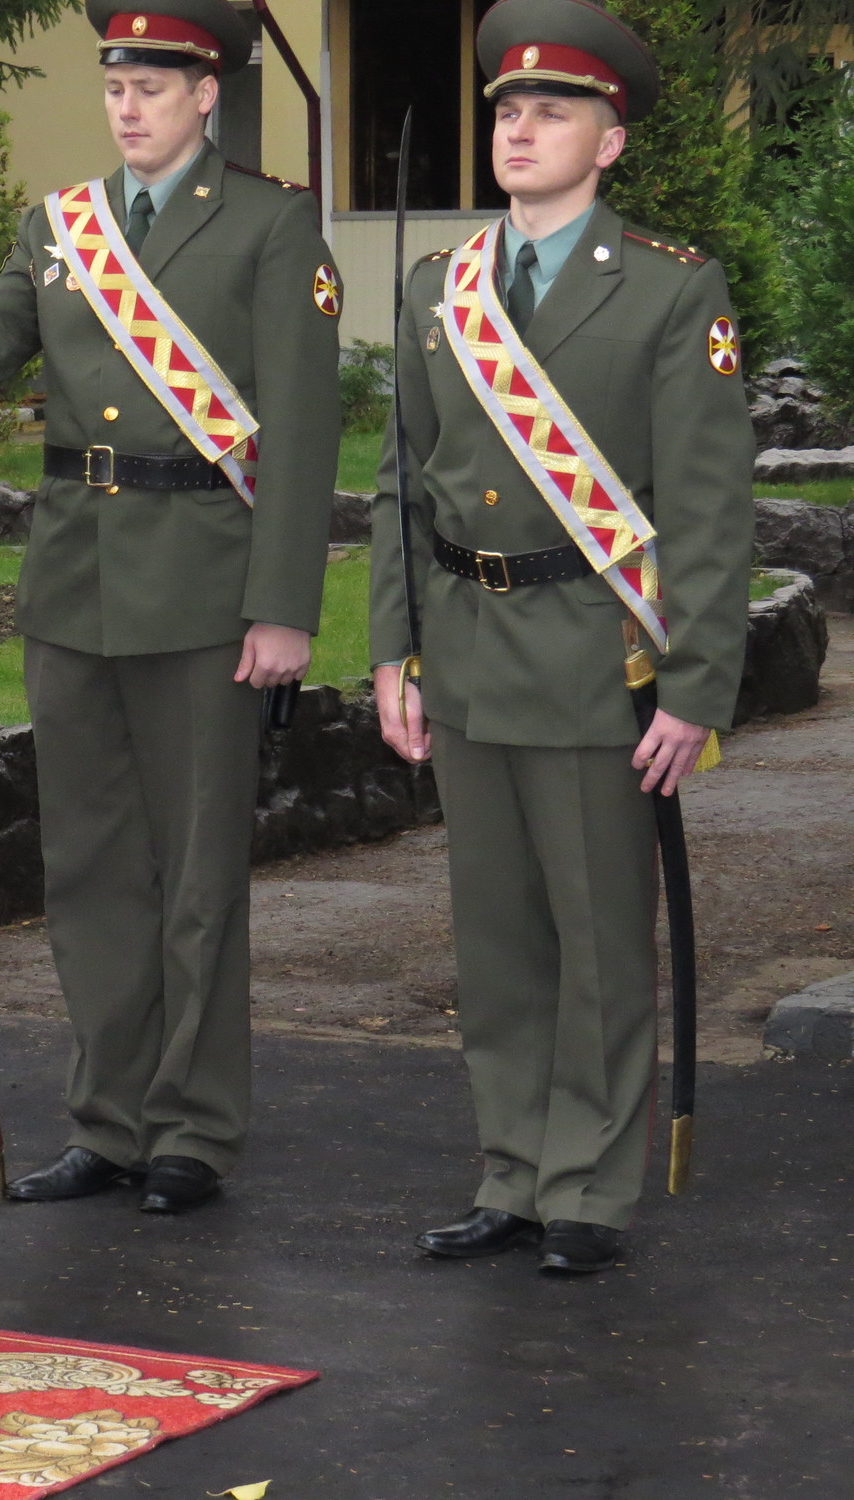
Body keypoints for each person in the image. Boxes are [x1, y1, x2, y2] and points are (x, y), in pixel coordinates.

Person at [0, 0, 341, 1213]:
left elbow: (304, 433)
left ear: (204, 94)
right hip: (73, 584)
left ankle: (193, 1129)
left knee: (196, 872)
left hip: (206, 586)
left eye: (153, 87)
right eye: (115, 87)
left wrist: (283, 609)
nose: (129, 107)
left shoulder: (268, 227)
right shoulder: (59, 228)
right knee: (91, 867)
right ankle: (107, 1121)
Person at [370, 0, 753, 1274]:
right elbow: (400, 488)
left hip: (602, 662)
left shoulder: (666, 287)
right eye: (504, 109)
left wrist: (694, 688)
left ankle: (586, 1191)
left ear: (609, 141)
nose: (517, 126)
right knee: (494, 942)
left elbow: (704, 510)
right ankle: (510, 1173)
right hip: (468, 654)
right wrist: (394, 653)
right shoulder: (439, 289)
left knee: (595, 942)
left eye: (551, 110)